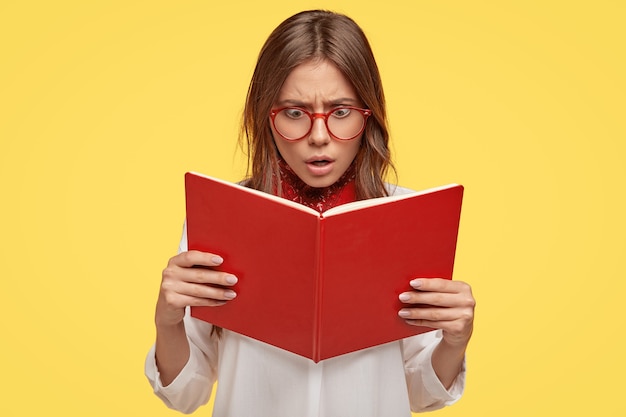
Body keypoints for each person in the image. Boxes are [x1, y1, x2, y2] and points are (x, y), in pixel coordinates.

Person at [145, 9, 475, 417]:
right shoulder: (224, 216)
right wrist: (168, 322)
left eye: (340, 112)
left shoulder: (408, 216)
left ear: (367, 114)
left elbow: (422, 394)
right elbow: (184, 394)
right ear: (266, 116)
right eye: (295, 113)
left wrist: (454, 342)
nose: (319, 137)